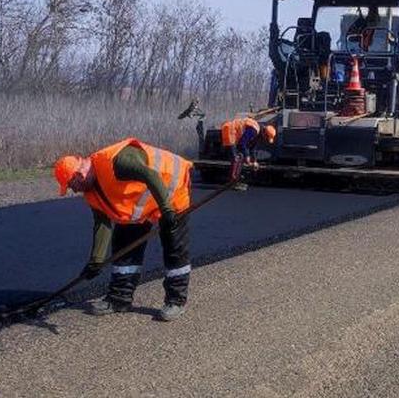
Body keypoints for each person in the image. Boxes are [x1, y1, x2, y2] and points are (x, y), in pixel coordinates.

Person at [54, 137, 193, 320]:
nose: (74, 191)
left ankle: (175, 301)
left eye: (72, 186)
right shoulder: (91, 191)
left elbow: (151, 176)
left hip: (171, 192)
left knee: (174, 249)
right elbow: (102, 224)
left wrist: (167, 209)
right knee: (124, 246)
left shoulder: (118, 160)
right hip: (139, 204)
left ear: (79, 175)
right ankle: (120, 298)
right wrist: (96, 261)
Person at [220, 116, 276, 189]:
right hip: (230, 131)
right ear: (264, 133)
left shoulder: (257, 134)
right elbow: (243, 142)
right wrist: (247, 156)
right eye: (266, 138)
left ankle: (236, 180)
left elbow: (253, 148)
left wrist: (254, 161)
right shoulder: (254, 130)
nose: (265, 140)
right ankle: (232, 183)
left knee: (240, 157)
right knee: (236, 159)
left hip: (234, 133)